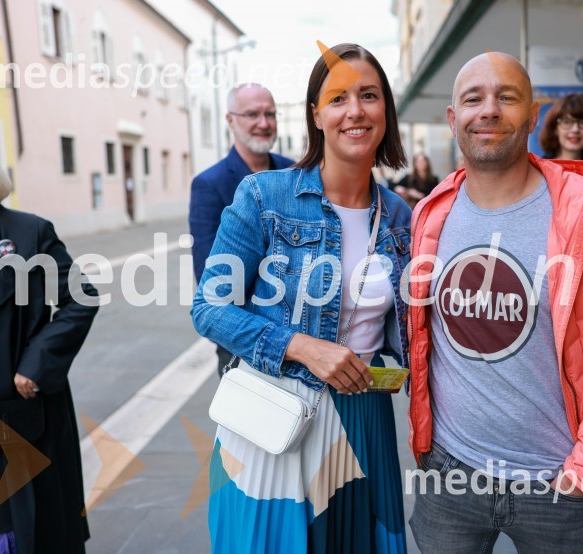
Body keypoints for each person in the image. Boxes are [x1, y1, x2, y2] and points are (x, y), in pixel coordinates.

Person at [406, 52, 583, 552]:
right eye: (473, 98)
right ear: (453, 119)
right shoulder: (430, 214)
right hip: (450, 473)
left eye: (507, 97)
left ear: (533, 113)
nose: (490, 110)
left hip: (557, 483)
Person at [191, 43, 410, 553]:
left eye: (369, 95)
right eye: (338, 98)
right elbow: (209, 307)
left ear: (386, 110)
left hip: (362, 416)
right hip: (274, 414)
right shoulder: (264, 197)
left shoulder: (403, 216)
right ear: (316, 114)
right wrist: (302, 346)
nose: (355, 110)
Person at [0, 125, 99, 553]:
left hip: (16, 419)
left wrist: (36, 363)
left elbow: (81, 297)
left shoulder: (26, 233)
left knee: (24, 537)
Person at [188, 83, 294, 377]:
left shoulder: (296, 172)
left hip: (304, 336)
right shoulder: (210, 183)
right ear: (230, 120)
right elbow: (213, 273)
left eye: (270, 114)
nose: (263, 123)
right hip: (244, 340)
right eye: (252, 114)